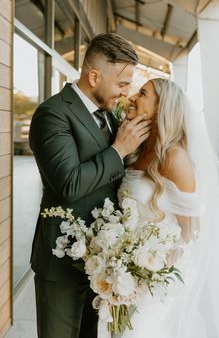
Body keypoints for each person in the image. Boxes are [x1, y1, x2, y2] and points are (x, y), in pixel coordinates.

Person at [29, 33, 152, 338]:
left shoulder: (110, 115)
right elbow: (69, 183)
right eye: (122, 84)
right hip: (61, 262)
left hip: (101, 265)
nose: (125, 93)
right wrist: (118, 151)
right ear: (94, 76)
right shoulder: (52, 113)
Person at [116, 78, 219, 338]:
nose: (131, 97)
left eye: (142, 93)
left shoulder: (175, 158)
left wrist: (152, 271)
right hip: (123, 274)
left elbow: (192, 231)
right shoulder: (137, 151)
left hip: (155, 284)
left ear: (161, 108)